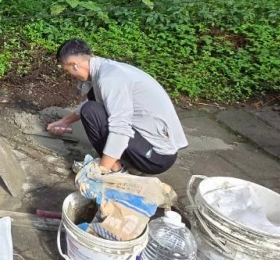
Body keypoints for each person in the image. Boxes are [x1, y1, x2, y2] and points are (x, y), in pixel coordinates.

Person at [45, 39, 187, 175]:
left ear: (75, 65)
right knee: (92, 104)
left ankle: (114, 169)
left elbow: (121, 127)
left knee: (91, 111)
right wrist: (65, 122)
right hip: (150, 145)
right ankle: (120, 162)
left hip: (157, 157)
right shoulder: (106, 69)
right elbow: (98, 103)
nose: (71, 76)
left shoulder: (110, 79)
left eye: (68, 71)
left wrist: (100, 170)